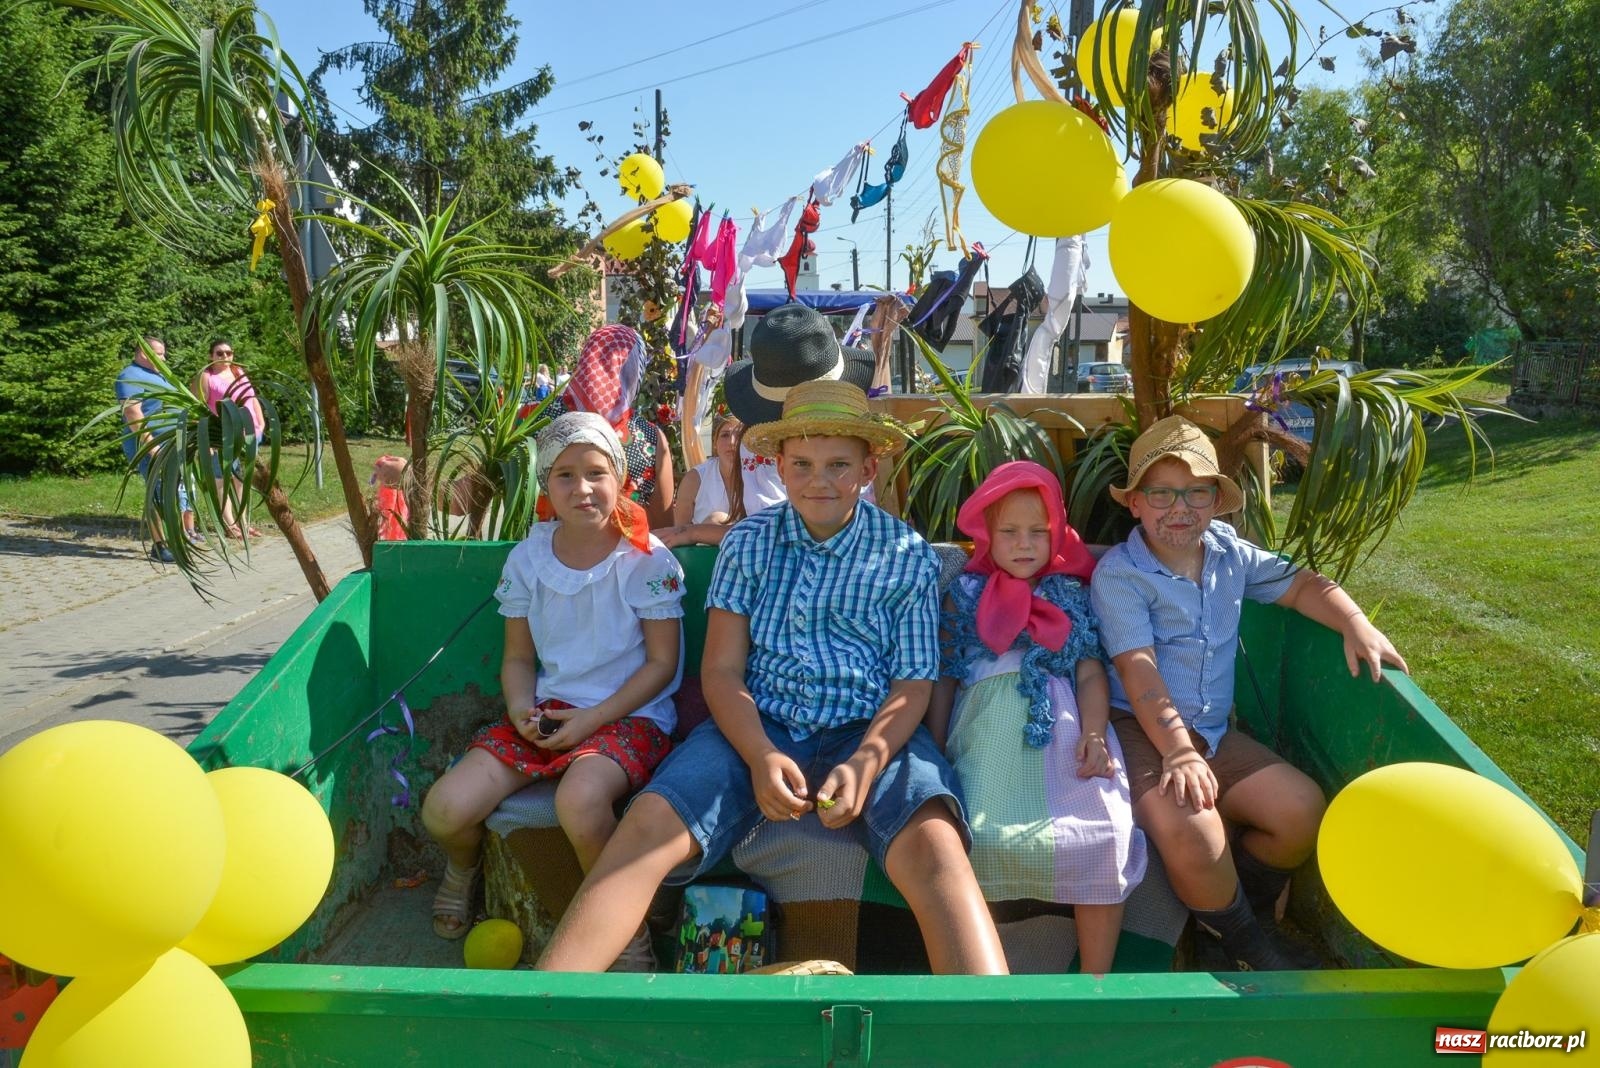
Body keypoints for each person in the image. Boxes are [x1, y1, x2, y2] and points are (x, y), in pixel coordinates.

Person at [535, 380, 1009, 975]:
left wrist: (865, 762)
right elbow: (723, 669)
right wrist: (759, 754)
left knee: (938, 847)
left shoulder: (904, 554)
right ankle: (545, 1005)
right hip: (757, 722)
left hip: (873, 732)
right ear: (779, 466)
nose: (820, 480)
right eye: (804, 464)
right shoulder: (749, 544)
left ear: (867, 468)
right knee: (646, 825)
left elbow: (911, 685)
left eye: (840, 464)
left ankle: (987, 1029)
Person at [1090, 416, 1409, 971]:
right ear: (1135, 504)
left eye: (1196, 492)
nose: (1179, 508)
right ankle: (1249, 945)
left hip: (1213, 732)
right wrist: (1179, 751)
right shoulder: (1122, 575)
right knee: (1195, 834)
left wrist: (1355, 622)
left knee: (1301, 810)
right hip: (1143, 732)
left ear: (1216, 500)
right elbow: (1138, 673)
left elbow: (1303, 585)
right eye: (1161, 494)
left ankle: (1237, 917)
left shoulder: (1228, 552)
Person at [421, 412, 685, 971]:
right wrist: (520, 709)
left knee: (580, 801)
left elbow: (662, 666)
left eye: (596, 472)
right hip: (548, 712)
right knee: (444, 810)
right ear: (546, 487)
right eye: (564, 475)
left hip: (627, 716)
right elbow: (519, 658)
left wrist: (591, 722)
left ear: (620, 478)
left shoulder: (646, 560)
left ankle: (627, 931)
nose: (582, 488)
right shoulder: (530, 558)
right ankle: (462, 868)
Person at [927, 461, 1145, 975]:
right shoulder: (965, 595)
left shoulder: (1070, 592)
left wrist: (1094, 733)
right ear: (986, 533)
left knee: (1104, 831)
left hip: (1067, 732)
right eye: (1009, 532)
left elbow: (1091, 674)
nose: (1024, 544)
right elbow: (945, 676)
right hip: (987, 735)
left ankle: (1096, 980)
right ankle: (987, 974)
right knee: (976, 834)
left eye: (1038, 533)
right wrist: (933, 747)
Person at [554, 325, 677, 529]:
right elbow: (663, 524)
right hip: (629, 555)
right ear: (632, 371)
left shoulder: (540, 419)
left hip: (549, 553)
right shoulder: (649, 437)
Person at [115, 336, 196, 561]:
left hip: (170, 445)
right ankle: (159, 545)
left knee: (172, 492)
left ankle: (176, 539)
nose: (164, 357)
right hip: (148, 446)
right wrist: (153, 447)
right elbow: (133, 414)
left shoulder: (159, 375)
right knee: (157, 492)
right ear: (143, 352)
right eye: (159, 353)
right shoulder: (129, 376)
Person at [656, 412, 766, 548]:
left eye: (739, 435)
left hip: (752, 551)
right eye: (725, 435)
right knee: (716, 519)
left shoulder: (762, 474)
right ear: (715, 443)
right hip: (705, 559)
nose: (732, 442)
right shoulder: (694, 479)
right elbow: (679, 534)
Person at [195, 339, 265, 539]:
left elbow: (252, 398)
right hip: (222, 437)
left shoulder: (238, 372)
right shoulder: (206, 377)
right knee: (221, 480)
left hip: (249, 435)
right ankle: (230, 524)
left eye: (229, 352)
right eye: (219, 353)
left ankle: (243, 522)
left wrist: (261, 423)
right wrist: (206, 440)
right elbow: (199, 409)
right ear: (211, 355)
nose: (225, 356)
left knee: (241, 479)